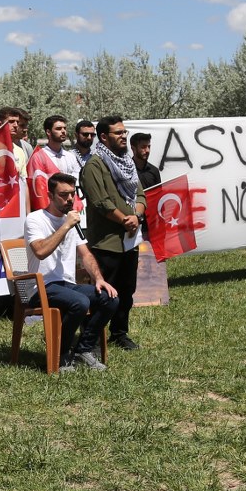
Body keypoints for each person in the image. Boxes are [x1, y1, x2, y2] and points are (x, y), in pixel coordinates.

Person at [25, 172, 118, 371]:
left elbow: (85, 255)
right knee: (80, 302)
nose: (69, 199)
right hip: (40, 287)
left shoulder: (72, 222)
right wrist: (66, 225)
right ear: (50, 196)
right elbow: (41, 251)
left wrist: (99, 279)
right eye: (63, 195)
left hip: (67, 285)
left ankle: (84, 349)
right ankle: (61, 355)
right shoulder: (35, 220)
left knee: (110, 298)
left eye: (72, 194)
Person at [80, 116, 143, 350]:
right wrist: (125, 220)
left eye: (124, 132)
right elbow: (101, 202)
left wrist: (137, 216)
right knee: (103, 293)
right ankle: (93, 336)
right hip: (107, 241)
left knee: (127, 291)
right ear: (104, 137)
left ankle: (119, 333)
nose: (124, 136)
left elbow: (141, 194)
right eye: (118, 133)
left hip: (129, 239)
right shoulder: (94, 166)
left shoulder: (127, 163)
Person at [28, 114, 80, 210]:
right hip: (49, 207)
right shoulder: (38, 157)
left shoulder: (70, 156)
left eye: (64, 128)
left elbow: (76, 180)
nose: (63, 131)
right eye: (59, 129)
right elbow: (38, 185)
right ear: (48, 132)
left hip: (70, 205)